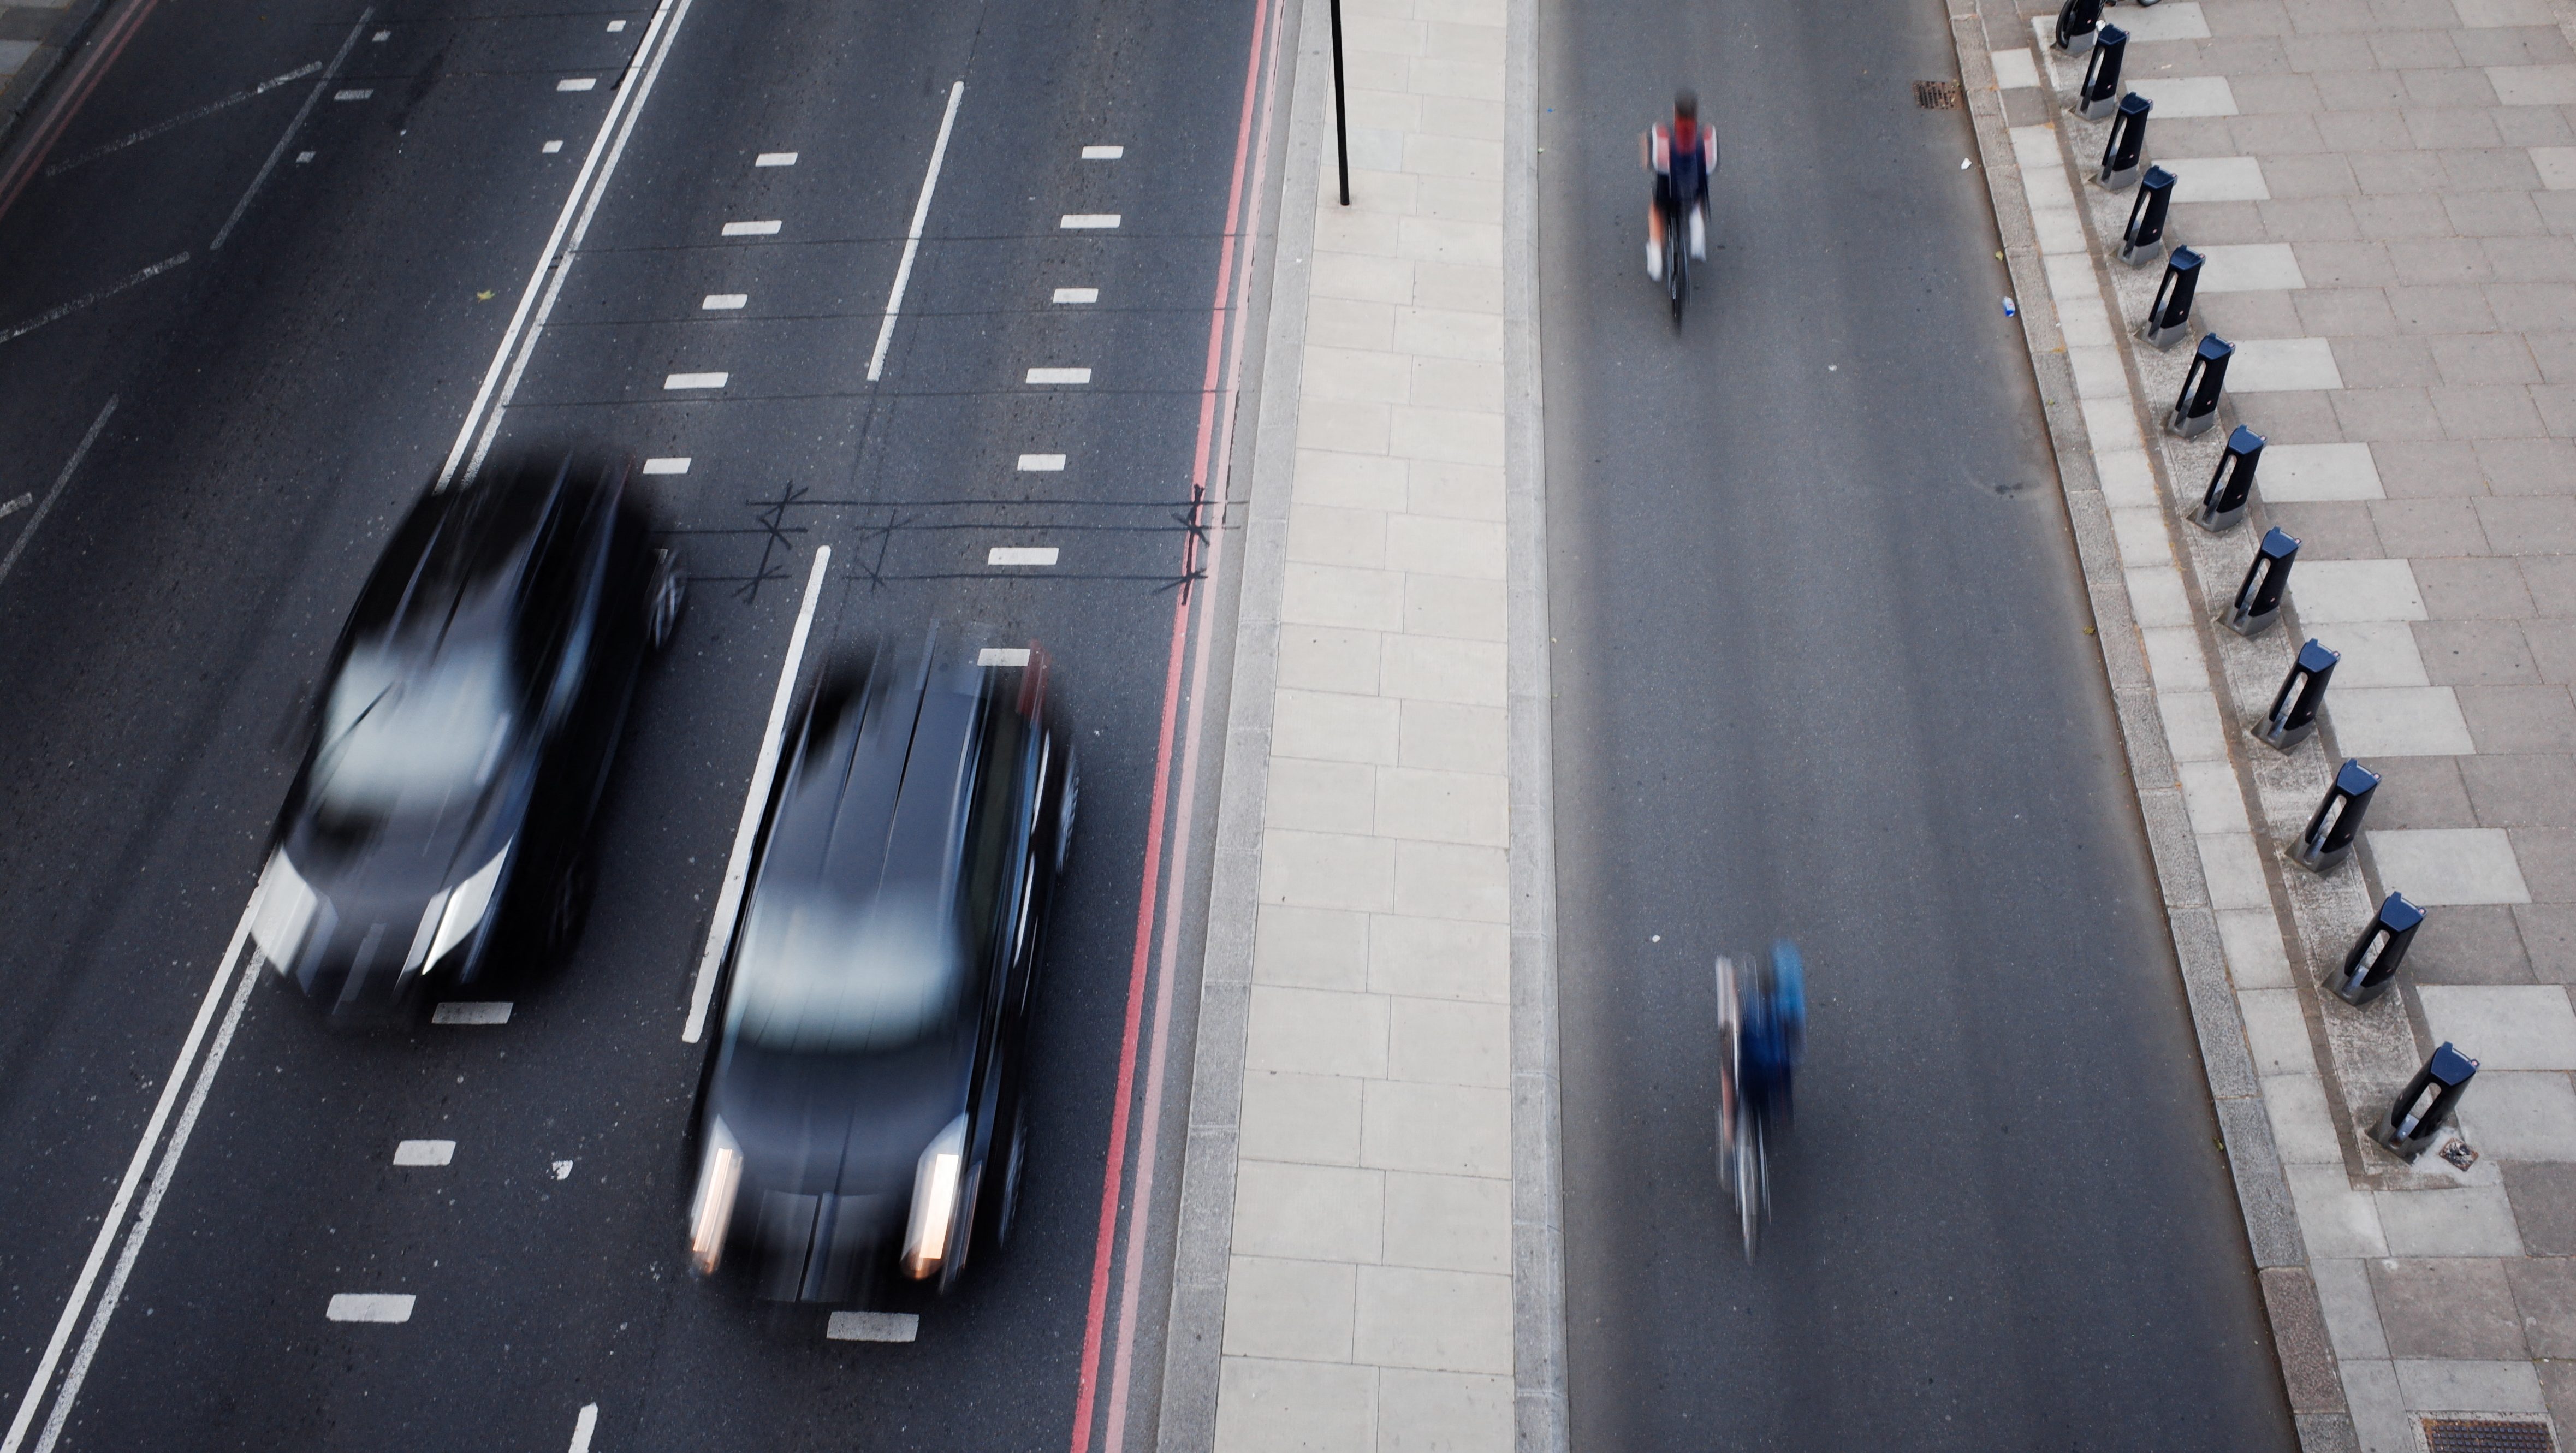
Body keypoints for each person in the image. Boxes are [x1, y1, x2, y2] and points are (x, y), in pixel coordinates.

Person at [1641, 88, 1717, 281]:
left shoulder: (1661, 134)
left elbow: (1650, 163)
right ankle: (1697, 232)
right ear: (1696, 113)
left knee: (1656, 209)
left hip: (1668, 192)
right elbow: (1712, 165)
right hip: (1694, 191)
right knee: (1700, 195)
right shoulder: (1708, 135)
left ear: (1675, 112)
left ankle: (1656, 258)